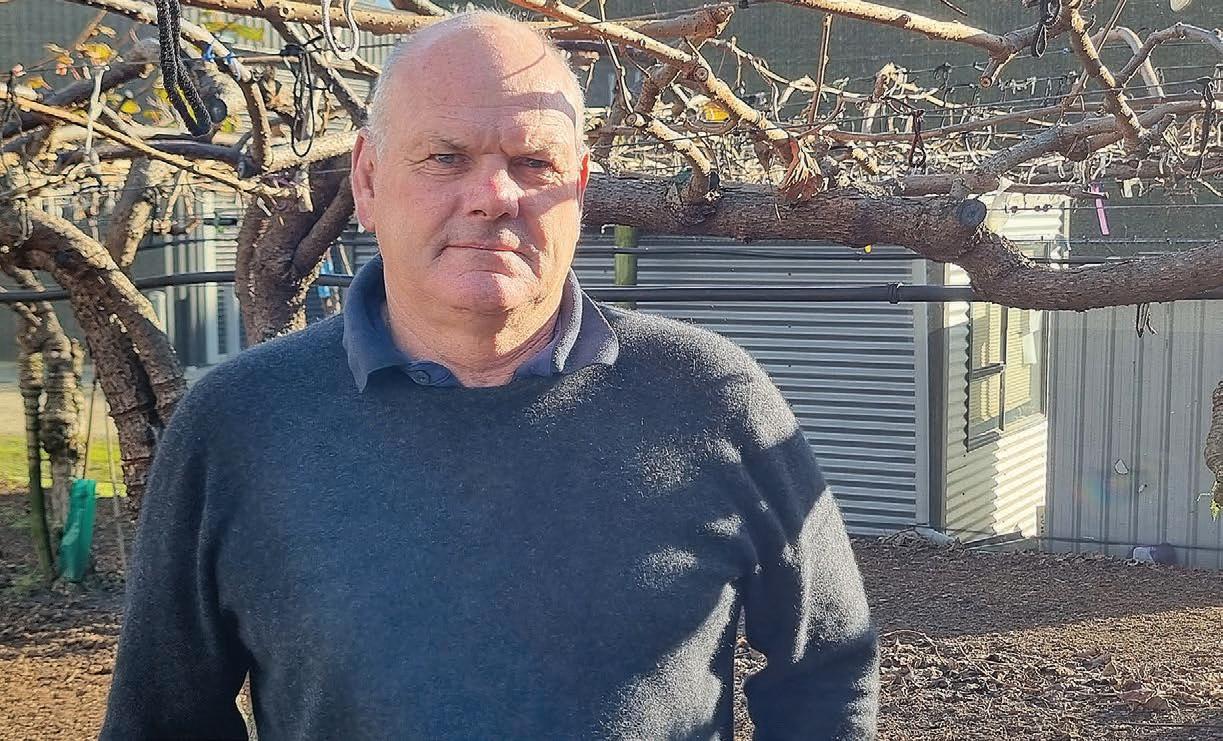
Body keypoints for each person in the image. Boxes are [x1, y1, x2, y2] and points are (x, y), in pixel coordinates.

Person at [101, 11, 879, 740]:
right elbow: (163, 719)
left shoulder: (710, 398)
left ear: (579, 187)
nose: (493, 197)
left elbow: (827, 668)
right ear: (367, 180)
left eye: (533, 162)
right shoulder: (240, 424)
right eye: (445, 157)